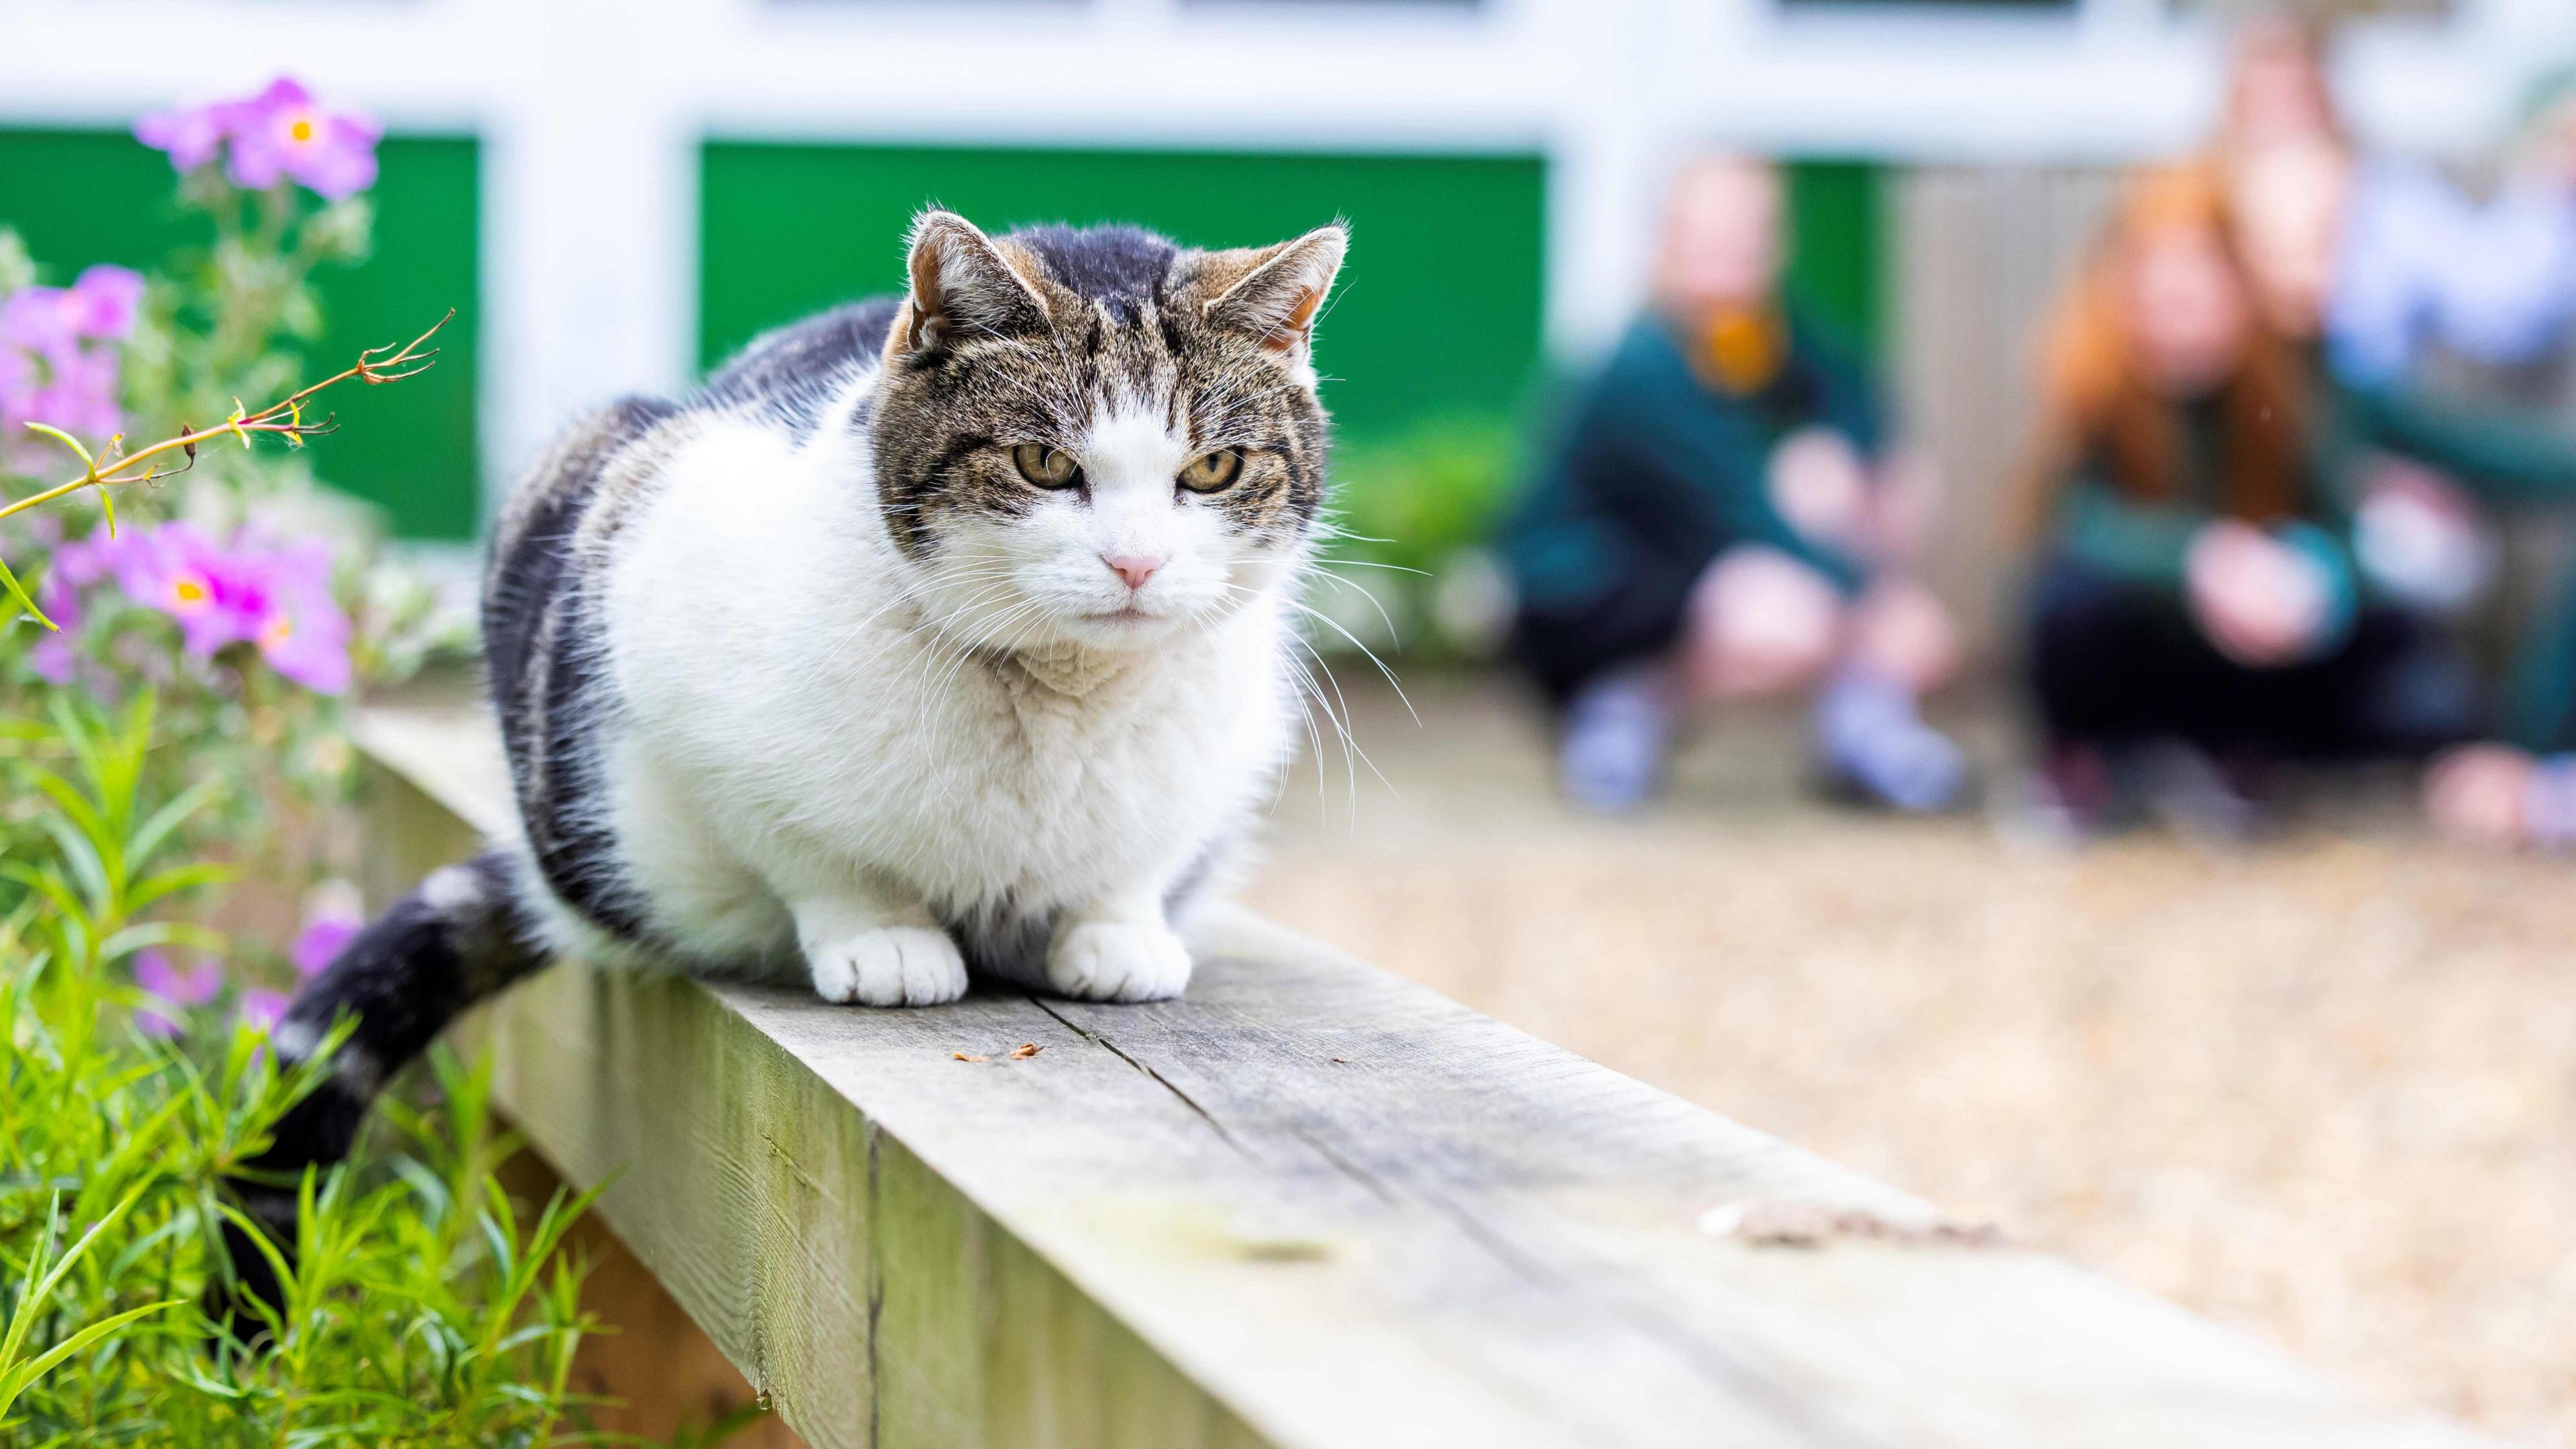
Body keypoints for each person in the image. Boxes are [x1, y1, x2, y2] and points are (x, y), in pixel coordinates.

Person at [2016, 168, 2487, 833]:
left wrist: (2307, 583)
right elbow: (2073, 522)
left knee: (2416, 676)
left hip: (2250, 662)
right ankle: (2095, 761)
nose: (2179, 323)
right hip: (2141, 646)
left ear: (2241, 291)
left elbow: (2348, 536)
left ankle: (2237, 760)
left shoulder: (2287, 391)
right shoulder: (2098, 392)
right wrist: (2198, 559)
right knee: (2066, 601)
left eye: (2198, 296)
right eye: (2160, 300)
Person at [1501, 153, 1964, 814]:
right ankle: (1625, 704)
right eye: (1710, 236)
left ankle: (1863, 715)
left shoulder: (1761, 339)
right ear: (1668, 242)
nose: (1732, 254)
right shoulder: (1646, 366)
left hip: (1690, 566)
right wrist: (1875, 607)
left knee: (1876, 482)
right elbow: (1740, 508)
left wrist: (1846, 465)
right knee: (1781, 609)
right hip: (1584, 603)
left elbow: (1860, 406)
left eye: (1750, 234)